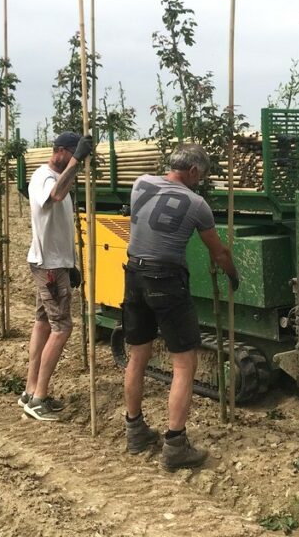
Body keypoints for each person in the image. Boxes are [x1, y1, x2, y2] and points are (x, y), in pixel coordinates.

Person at [121, 144, 239, 470]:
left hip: (133, 274)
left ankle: (135, 431)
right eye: (200, 176)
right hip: (166, 280)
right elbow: (218, 252)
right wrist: (233, 274)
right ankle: (175, 446)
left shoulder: (140, 183)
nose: (200, 181)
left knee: (137, 355)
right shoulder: (197, 203)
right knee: (185, 363)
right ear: (193, 172)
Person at [20, 131, 93, 422]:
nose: (77, 163)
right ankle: (39, 398)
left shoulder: (61, 176)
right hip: (48, 267)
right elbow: (55, 195)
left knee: (43, 324)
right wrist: (78, 159)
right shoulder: (44, 177)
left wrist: (71, 263)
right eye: (73, 156)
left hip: (55, 263)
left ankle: (29, 390)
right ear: (60, 151)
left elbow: (60, 225)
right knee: (62, 328)